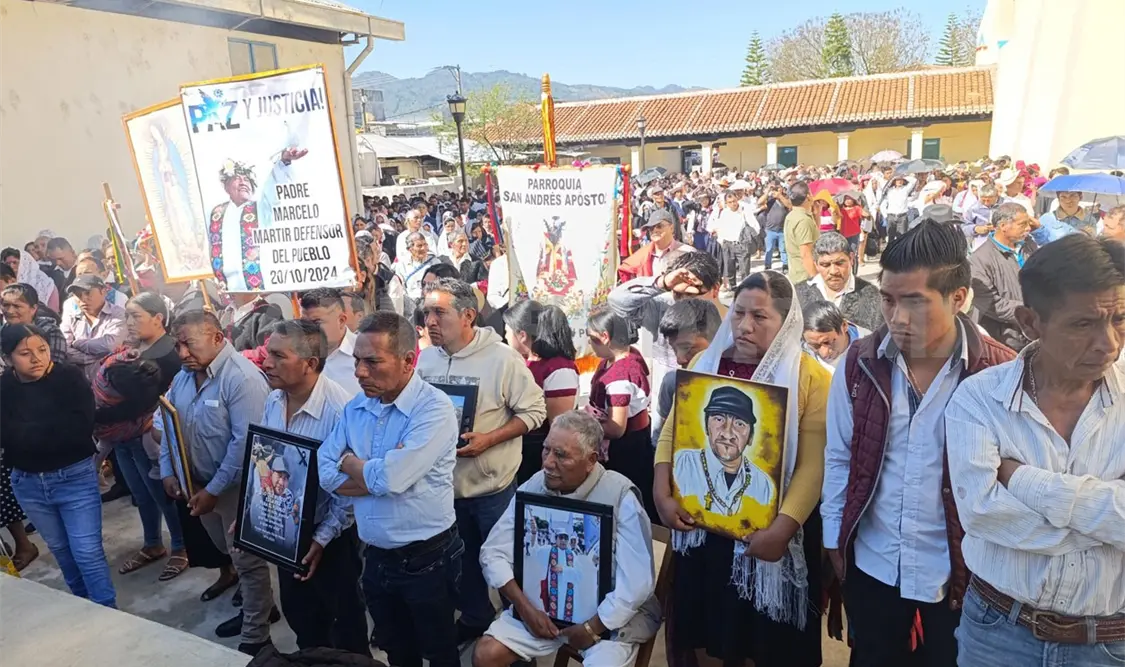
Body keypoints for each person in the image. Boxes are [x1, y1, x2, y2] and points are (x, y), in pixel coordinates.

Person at [821, 221, 1015, 667]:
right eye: (888, 300)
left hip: (961, 573)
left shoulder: (1000, 373)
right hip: (874, 562)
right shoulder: (860, 362)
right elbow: (839, 455)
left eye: (915, 302)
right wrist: (835, 536)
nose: (898, 319)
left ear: (959, 297)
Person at [946, 234, 1125, 667]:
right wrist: (1107, 521)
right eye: (1083, 324)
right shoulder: (979, 399)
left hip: (1108, 643)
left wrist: (1022, 480)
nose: (1109, 343)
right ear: (1030, 322)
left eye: (1120, 318)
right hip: (997, 632)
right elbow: (983, 516)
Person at [654, 271, 830, 667]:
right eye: (739, 313)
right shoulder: (707, 362)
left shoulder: (811, 378)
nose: (745, 326)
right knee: (707, 633)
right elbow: (673, 432)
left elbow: (813, 463)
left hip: (771, 536)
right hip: (704, 530)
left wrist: (783, 528)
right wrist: (662, 492)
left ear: (787, 322)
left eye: (760, 317)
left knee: (764, 644)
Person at [317, 311, 464, 667]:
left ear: (408, 361)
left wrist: (352, 463)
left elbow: (389, 480)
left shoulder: (434, 410)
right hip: (377, 558)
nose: (360, 372)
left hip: (427, 559)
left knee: (440, 653)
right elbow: (324, 470)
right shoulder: (356, 407)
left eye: (373, 362)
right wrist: (377, 477)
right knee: (398, 652)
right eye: (356, 361)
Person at [473, 411, 660, 667]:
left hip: (608, 621)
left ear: (591, 460)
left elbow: (637, 585)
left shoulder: (619, 495)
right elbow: (493, 552)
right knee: (486, 654)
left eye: (561, 455)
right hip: (542, 610)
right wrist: (527, 610)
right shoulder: (536, 485)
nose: (548, 463)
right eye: (546, 450)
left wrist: (593, 627)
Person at [417, 278, 547, 644]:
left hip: (493, 489)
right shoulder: (426, 359)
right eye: (426, 312)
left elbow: (535, 411)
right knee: (462, 563)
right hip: (444, 490)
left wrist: (490, 439)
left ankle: (518, 629)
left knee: (507, 564)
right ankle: (476, 617)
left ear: (468, 315)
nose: (429, 321)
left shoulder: (502, 358)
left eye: (439, 312)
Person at [161, 310, 275, 655]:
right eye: (177, 344)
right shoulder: (184, 375)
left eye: (188, 344)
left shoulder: (242, 379)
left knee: (248, 561)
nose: (181, 353)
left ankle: (257, 637)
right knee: (230, 553)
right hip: (200, 487)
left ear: (216, 337)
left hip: (236, 490)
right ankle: (262, 606)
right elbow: (166, 419)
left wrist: (213, 491)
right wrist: (169, 469)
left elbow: (247, 445)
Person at [258, 320, 369, 654]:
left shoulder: (340, 411)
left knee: (344, 627)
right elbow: (267, 456)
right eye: (267, 354)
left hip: (331, 539)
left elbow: (350, 491)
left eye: (278, 356)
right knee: (302, 621)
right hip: (286, 532)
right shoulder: (274, 400)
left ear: (310, 364)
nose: (266, 363)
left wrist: (321, 539)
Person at [0, 324, 116, 607]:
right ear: (7, 357)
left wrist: (25, 433)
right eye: (25, 353)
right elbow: (5, 434)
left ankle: (109, 613)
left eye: (42, 349)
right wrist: (45, 431)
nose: (37, 358)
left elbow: (79, 428)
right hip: (28, 484)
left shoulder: (68, 378)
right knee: (62, 552)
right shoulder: (4, 388)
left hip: (74, 477)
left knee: (87, 552)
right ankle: (83, 608)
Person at [608, 251, 724, 412]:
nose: (684, 303)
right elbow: (616, 300)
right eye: (678, 295)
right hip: (666, 410)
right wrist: (660, 283)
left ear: (716, 289)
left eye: (691, 295)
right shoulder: (661, 309)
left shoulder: (738, 321)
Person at [585, 307, 656, 520]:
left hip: (625, 450)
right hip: (633, 440)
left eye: (591, 338)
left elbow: (616, 428)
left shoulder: (619, 377)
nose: (589, 343)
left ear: (604, 337)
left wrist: (585, 426)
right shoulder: (628, 355)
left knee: (625, 501)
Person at [502, 300, 579, 485]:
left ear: (521, 335)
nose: (504, 336)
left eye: (507, 331)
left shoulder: (559, 369)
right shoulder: (524, 361)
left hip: (537, 451)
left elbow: (558, 424)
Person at [207, 151, 307, 290]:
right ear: (227, 186)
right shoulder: (216, 214)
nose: (243, 182)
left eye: (247, 179)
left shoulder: (261, 208)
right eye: (237, 178)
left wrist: (283, 162)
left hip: (263, 291)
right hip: (228, 292)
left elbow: (275, 189)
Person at [672, 385, 777, 515]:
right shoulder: (683, 463)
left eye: (739, 424)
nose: (727, 434)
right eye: (719, 419)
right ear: (706, 426)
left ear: (750, 437)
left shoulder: (763, 484)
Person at [651, 298, 722, 440]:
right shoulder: (672, 383)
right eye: (674, 349)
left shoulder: (745, 382)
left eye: (688, 348)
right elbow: (663, 437)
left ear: (718, 339)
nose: (680, 359)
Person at [970, 202, 1036, 350]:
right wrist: (1031, 311)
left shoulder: (1028, 246)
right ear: (1003, 226)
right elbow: (992, 304)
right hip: (1005, 339)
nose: (1028, 228)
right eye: (1022, 224)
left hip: (1034, 332)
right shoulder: (980, 259)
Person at [794, 232, 884, 331]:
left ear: (851, 259)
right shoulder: (798, 295)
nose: (833, 271)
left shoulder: (872, 296)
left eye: (839, 263)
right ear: (816, 264)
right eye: (825, 265)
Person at [60, 274, 127, 384]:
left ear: (104, 291)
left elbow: (110, 345)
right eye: (77, 294)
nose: (83, 298)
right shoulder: (72, 315)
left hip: (109, 383)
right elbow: (63, 347)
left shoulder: (118, 314)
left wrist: (77, 343)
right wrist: (90, 358)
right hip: (78, 382)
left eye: (88, 292)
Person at [299, 288, 362, 397]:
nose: (308, 330)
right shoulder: (294, 355)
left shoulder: (365, 355)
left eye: (316, 323)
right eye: (304, 323)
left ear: (341, 321)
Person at [618, 210, 695, 282]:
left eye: (659, 226)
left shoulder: (688, 253)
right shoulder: (641, 256)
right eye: (651, 228)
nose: (654, 230)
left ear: (671, 228)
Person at [1, 283, 66, 362]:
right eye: (6, 305)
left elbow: (55, 366)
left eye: (16, 306)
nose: (10, 311)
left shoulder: (50, 331)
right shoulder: (3, 331)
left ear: (33, 309)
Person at [709, 192, 758, 291]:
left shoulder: (745, 211)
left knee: (744, 269)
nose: (733, 204)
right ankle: (733, 287)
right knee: (729, 268)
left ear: (737, 200)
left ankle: (746, 288)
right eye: (730, 202)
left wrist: (748, 239)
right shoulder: (724, 212)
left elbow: (755, 226)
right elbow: (720, 227)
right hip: (727, 244)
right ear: (726, 203)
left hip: (741, 244)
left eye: (734, 201)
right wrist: (722, 241)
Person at [800, 301, 869, 371]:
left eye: (827, 342)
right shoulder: (800, 353)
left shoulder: (873, 349)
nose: (824, 354)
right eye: (814, 346)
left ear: (844, 326)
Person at [783, 181, 819, 284]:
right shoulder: (803, 220)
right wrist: (816, 280)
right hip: (806, 276)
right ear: (808, 196)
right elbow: (806, 254)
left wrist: (817, 213)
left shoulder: (793, 215)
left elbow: (814, 235)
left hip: (796, 272)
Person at [1033, 190, 1097, 245]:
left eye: (1072, 195)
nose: (1068, 201)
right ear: (1058, 199)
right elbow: (1038, 244)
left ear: (1080, 197)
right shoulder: (1047, 218)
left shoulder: (1090, 220)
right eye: (1063, 197)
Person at [395, 231, 441, 307]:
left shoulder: (435, 262)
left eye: (425, 245)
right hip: (410, 306)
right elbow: (401, 289)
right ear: (410, 249)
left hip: (431, 304)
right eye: (419, 246)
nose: (423, 248)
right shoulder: (402, 265)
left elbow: (440, 286)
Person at [880, 175, 916, 245]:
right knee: (891, 238)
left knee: (902, 238)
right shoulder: (890, 190)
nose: (899, 181)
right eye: (897, 180)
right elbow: (883, 203)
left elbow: (914, 180)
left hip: (902, 217)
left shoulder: (905, 189)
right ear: (894, 181)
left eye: (901, 180)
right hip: (891, 216)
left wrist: (904, 176)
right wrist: (885, 216)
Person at [761, 185, 791, 272]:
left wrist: (780, 197)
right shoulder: (770, 200)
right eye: (776, 190)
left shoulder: (785, 198)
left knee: (783, 249)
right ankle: (767, 265)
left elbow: (789, 205)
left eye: (779, 190)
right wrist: (767, 192)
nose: (777, 192)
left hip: (782, 230)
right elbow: (760, 202)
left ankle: (785, 265)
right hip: (770, 230)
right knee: (769, 249)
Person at [961, 184, 999, 251]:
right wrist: (975, 229)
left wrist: (997, 227)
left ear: (996, 197)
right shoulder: (973, 209)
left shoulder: (1004, 205)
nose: (986, 203)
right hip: (981, 242)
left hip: (1001, 241)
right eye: (983, 200)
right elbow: (964, 227)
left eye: (989, 200)